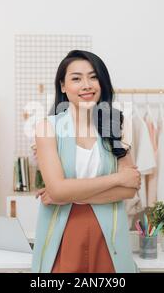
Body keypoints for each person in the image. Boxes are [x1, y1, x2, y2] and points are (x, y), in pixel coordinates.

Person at [31, 50, 141, 273]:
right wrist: (118, 178)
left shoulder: (117, 125)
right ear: (63, 86)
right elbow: (60, 190)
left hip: (109, 235)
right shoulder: (47, 128)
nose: (87, 85)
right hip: (64, 232)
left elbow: (129, 190)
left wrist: (68, 193)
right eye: (76, 78)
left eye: (93, 77)